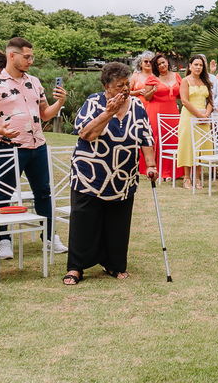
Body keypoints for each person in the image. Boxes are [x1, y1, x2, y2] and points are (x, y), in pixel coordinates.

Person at [64, 62, 156, 284]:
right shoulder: (94, 102)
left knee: (118, 223)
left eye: (127, 84)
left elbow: (146, 138)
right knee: (84, 221)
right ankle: (76, 267)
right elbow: (85, 134)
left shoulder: (137, 105)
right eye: (119, 85)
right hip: (90, 174)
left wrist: (151, 165)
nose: (125, 89)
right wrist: (108, 113)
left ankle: (114, 264)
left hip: (123, 177)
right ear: (107, 86)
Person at [0, 37, 69, 258]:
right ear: (12, 55)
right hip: (9, 146)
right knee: (4, 192)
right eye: (27, 57)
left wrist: (59, 102)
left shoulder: (35, 82)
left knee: (44, 192)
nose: (30, 61)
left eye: (32, 57)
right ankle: (3, 240)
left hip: (37, 145)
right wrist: (0, 131)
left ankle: (49, 238)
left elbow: (45, 114)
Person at [177, 54, 214, 190]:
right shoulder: (185, 81)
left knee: (201, 147)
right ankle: (187, 178)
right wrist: (198, 114)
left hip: (204, 117)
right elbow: (185, 101)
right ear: (190, 66)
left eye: (201, 65)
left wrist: (206, 114)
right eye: (196, 65)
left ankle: (197, 178)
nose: (198, 67)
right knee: (188, 146)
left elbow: (210, 101)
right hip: (189, 117)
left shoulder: (206, 81)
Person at [144, 54, 182, 181]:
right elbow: (147, 98)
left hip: (172, 111)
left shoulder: (176, 75)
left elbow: (180, 95)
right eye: (159, 64)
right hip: (156, 111)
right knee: (159, 139)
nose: (162, 65)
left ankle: (173, 170)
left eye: (163, 62)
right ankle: (159, 170)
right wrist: (153, 90)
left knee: (173, 139)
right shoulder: (152, 78)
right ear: (156, 66)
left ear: (167, 62)